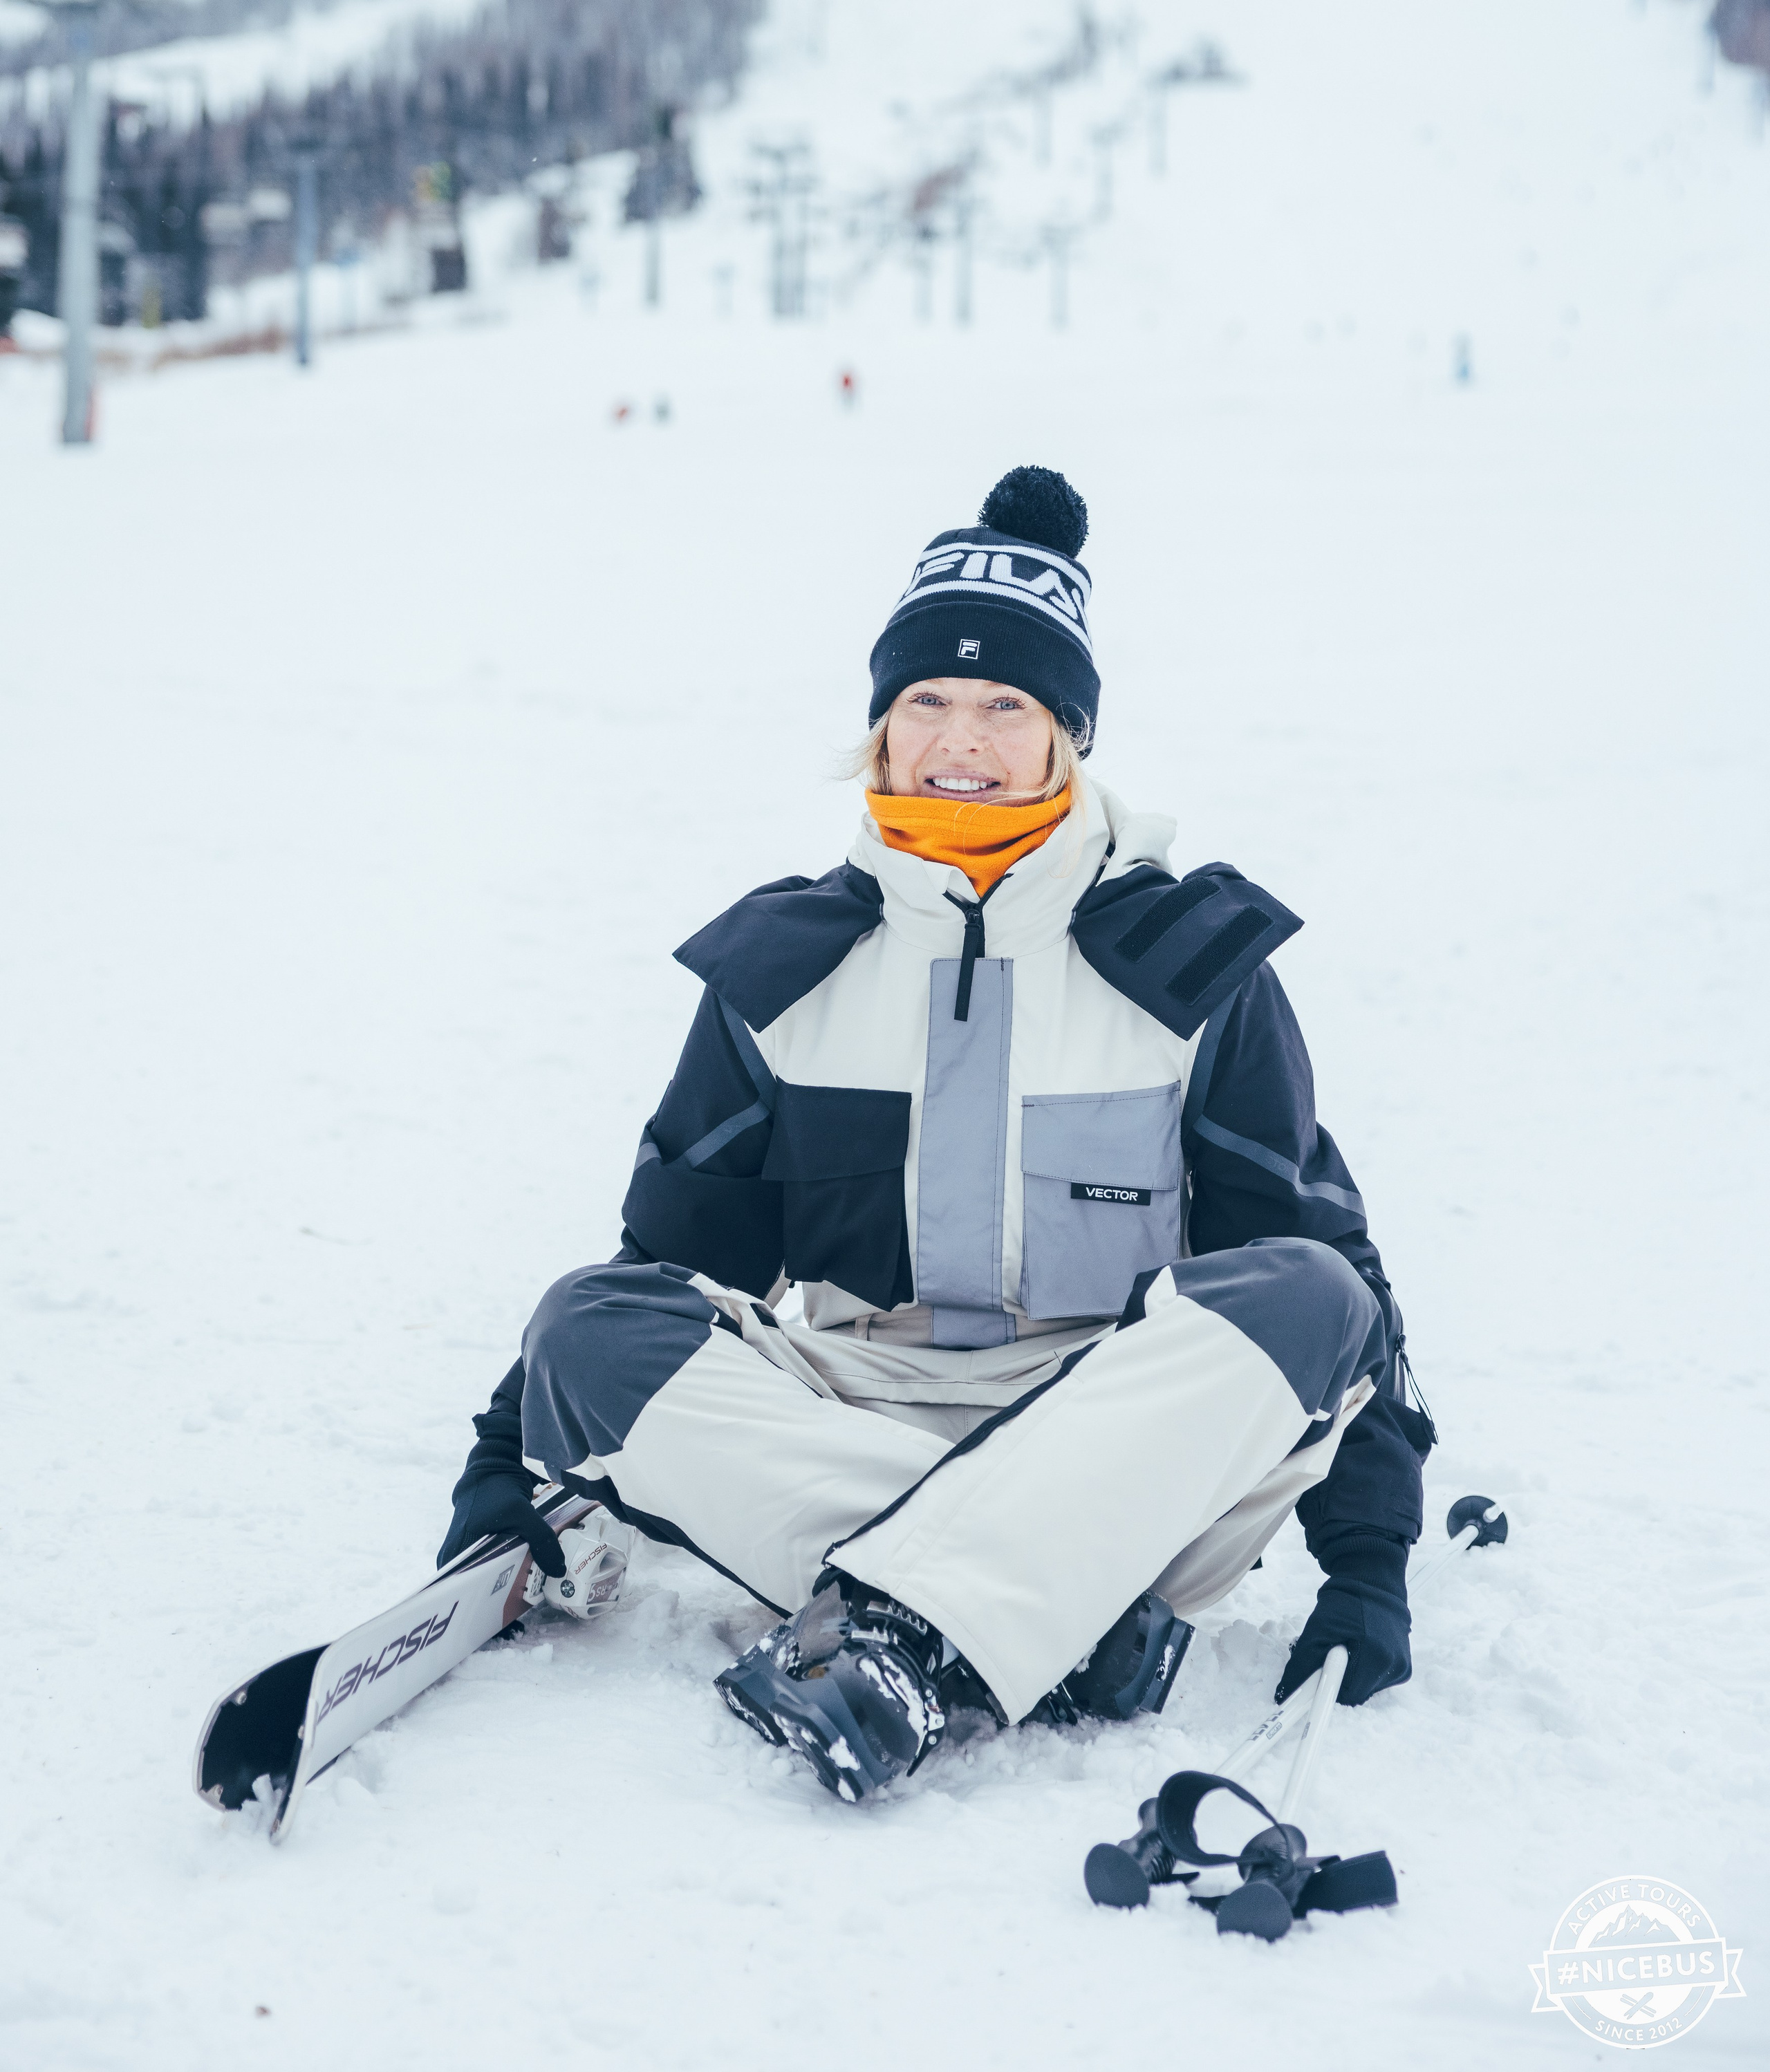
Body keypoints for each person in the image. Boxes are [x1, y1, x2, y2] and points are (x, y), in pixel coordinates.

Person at [437, 465, 1435, 1803]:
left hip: (1114, 1427)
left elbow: (1324, 1271)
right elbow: (661, 1261)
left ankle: (917, 1608)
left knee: (1308, 1298)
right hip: (866, 1412)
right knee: (586, 1324)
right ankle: (1043, 1611)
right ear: (881, 729)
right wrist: (505, 1465)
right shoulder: (787, 969)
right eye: (927, 701)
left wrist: (1366, 1566)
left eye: (1002, 704)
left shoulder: (1185, 966)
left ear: (1064, 736)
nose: (958, 736)